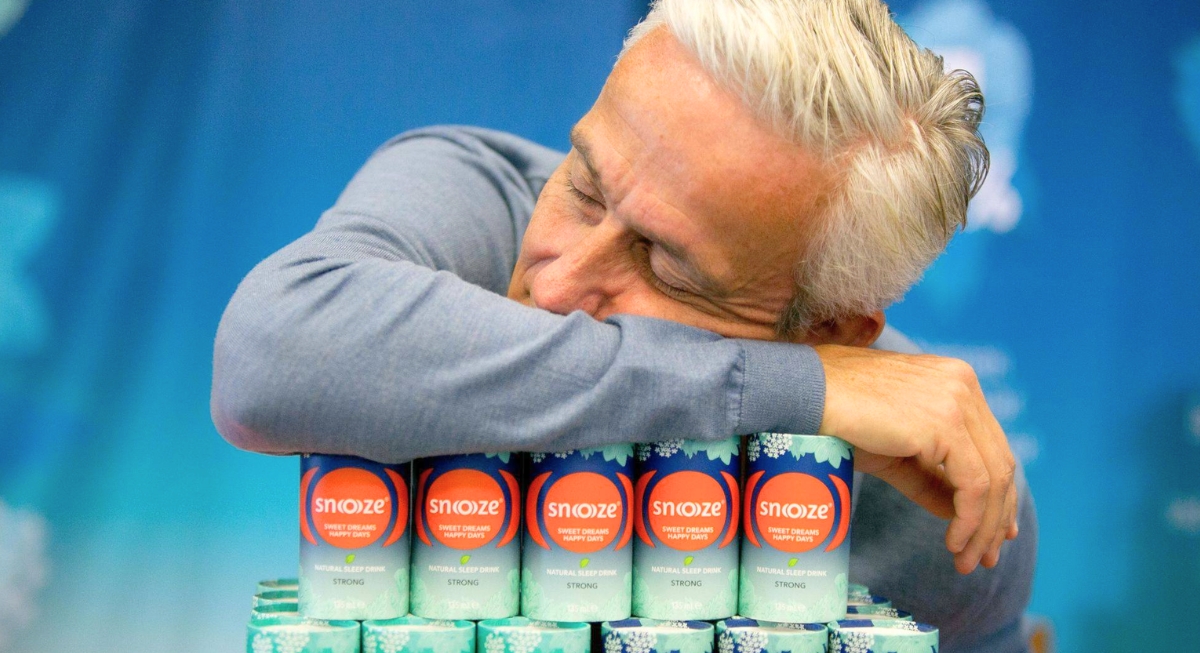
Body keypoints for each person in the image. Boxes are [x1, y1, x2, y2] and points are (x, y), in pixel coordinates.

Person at [211, 1, 1035, 650]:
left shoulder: (935, 510)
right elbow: (269, 357)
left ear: (830, 331)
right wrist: (795, 390)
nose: (555, 283)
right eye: (584, 187)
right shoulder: (469, 199)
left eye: (667, 265)